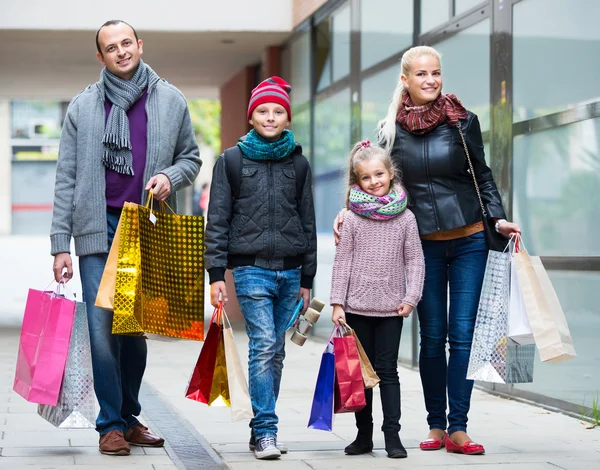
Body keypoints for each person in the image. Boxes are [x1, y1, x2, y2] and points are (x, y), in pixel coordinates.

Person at [334, 46, 521, 455]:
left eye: (435, 73)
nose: (430, 80)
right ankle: (436, 426)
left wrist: (499, 218)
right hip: (424, 246)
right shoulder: (389, 131)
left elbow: (483, 177)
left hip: (470, 237)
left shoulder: (461, 122)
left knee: (463, 335)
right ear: (405, 80)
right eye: (421, 74)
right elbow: (374, 179)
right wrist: (346, 212)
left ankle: (458, 428)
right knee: (433, 337)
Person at [50, 20, 201, 456]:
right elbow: (65, 178)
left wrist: (171, 177)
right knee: (102, 330)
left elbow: (190, 158)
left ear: (139, 45)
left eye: (126, 43)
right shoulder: (82, 108)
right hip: (97, 230)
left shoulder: (170, 100)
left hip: (144, 230)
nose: (120, 52)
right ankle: (109, 425)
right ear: (100, 57)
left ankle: (130, 416)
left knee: (134, 331)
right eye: (110, 48)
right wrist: (61, 243)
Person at [204, 76, 317, 460]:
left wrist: (308, 278)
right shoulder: (231, 161)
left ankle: (259, 431)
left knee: (276, 352)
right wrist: (216, 274)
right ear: (251, 117)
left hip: (290, 271)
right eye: (263, 111)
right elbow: (216, 220)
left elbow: (308, 222)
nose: (270, 117)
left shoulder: (299, 164)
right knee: (265, 344)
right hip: (250, 269)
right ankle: (267, 431)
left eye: (278, 111)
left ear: (287, 117)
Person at [330, 140, 425, 459]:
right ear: (357, 182)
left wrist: (411, 297)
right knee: (361, 375)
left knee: (387, 371)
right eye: (366, 178)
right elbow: (342, 261)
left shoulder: (406, 218)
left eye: (379, 174)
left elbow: (415, 260)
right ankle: (363, 435)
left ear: (391, 173)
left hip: (390, 309)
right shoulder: (352, 218)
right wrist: (337, 303)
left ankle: (392, 435)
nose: (374, 182)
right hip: (356, 308)